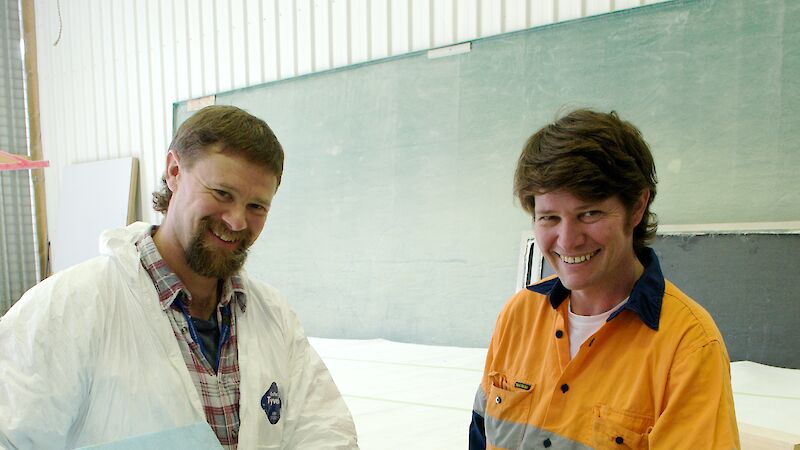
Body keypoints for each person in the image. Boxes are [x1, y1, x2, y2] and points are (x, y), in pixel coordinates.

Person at [0, 105, 358, 449]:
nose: (236, 221)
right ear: (174, 170)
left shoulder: (273, 317)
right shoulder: (70, 307)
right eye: (222, 193)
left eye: (256, 206)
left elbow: (323, 430)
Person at [469, 109, 739, 449]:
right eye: (550, 217)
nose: (568, 240)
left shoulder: (689, 347)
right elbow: (480, 434)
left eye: (589, 213)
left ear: (637, 207)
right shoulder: (518, 314)